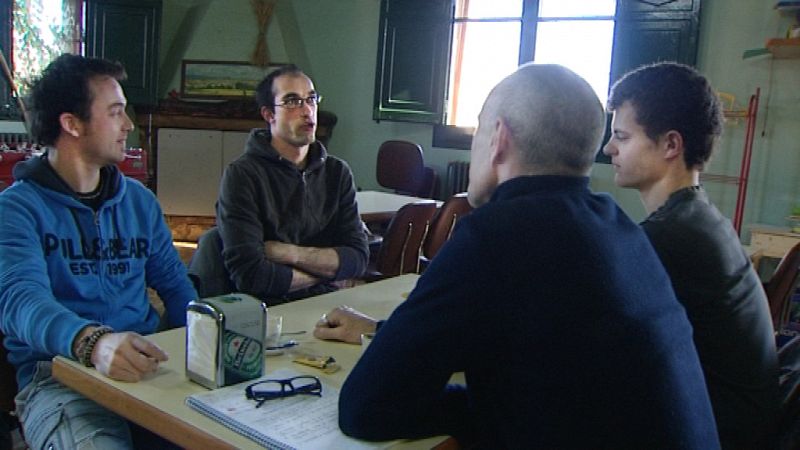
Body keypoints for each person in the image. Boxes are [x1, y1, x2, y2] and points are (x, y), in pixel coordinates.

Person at [317, 63, 720, 448]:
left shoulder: (492, 235)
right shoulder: (620, 227)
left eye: (478, 129)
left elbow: (365, 408)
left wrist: (483, 408)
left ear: (499, 138)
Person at [0, 54, 197, 448]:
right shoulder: (16, 209)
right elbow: (20, 301)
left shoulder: (138, 201)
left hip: (148, 365)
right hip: (58, 378)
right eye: (115, 112)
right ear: (72, 124)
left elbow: (176, 286)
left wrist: (206, 340)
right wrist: (92, 342)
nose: (128, 125)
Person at [603, 62, 780, 449]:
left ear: (671, 145)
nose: (609, 148)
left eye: (622, 136)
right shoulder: (698, 217)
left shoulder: (671, 237)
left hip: (725, 435)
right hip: (748, 422)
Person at [189, 64, 368, 304]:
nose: (307, 110)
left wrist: (288, 253)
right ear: (269, 114)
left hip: (325, 304)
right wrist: (327, 274)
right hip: (265, 309)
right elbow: (251, 276)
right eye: (292, 102)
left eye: (311, 99)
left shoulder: (337, 172)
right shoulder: (243, 175)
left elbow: (357, 259)